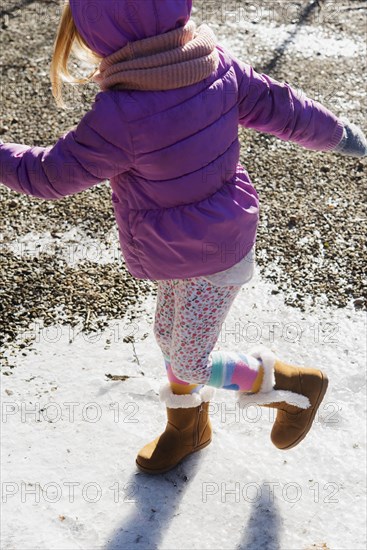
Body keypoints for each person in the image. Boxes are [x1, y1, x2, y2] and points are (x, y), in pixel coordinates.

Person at [1, 0, 366, 475]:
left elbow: (48, 175)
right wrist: (341, 134)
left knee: (191, 360)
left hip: (212, 258)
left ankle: (292, 384)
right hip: (187, 248)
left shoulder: (122, 114)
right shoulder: (215, 64)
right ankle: (188, 428)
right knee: (168, 338)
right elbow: (286, 108)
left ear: (101, 32)